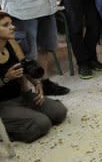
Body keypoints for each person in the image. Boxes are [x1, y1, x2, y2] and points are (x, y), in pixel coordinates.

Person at [0, 11, 67, 143]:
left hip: (20, 96)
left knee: (59, 112)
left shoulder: (11, 42)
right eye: (6, 25)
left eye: (11, 24)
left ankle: (24, 115)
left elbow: (24, 66)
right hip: (2, 104)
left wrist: (37, 83)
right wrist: (6, 78)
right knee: (43, 124)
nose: (13, 27)